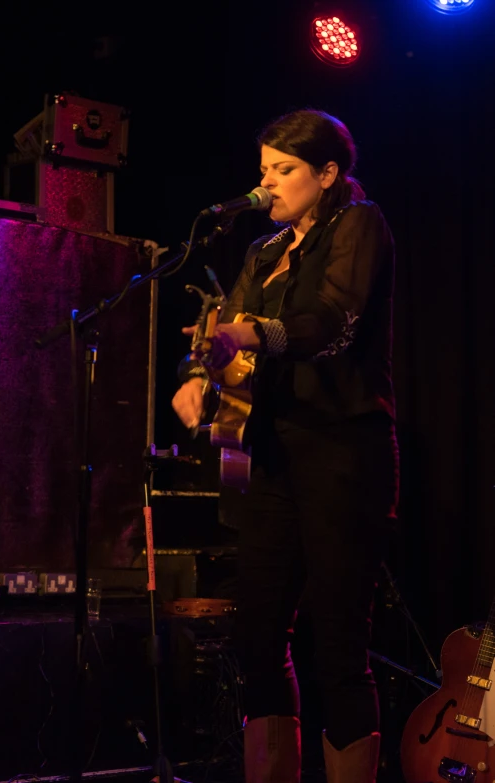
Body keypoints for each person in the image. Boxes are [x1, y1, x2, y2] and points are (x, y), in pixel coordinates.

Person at [171, 108, 399, 783]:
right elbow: (225, 332)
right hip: (273, 454)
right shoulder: (262, 254)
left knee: (338, 646)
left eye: (284, 170)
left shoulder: (360, 225)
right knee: (258, 638)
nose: (267, 184)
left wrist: (251, 335)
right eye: (264, 169)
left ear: (327, 174)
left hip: (343, 455)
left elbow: (331, 325)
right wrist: (198, 374)